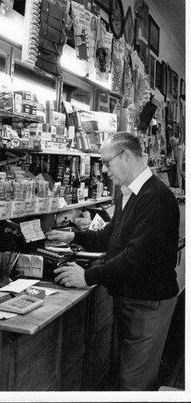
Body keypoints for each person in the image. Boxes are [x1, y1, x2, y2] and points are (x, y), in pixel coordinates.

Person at [46, 131, 180, 391]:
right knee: (129, 376)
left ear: (127, 156)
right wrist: (73, 235)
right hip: (132, 299)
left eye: (107, 163)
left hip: (148, 304)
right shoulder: (128, 192)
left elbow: (136, 258)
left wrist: (87, 277)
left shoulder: (155, 197)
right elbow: (112, 235)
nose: (104, 170)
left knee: (134, 384)